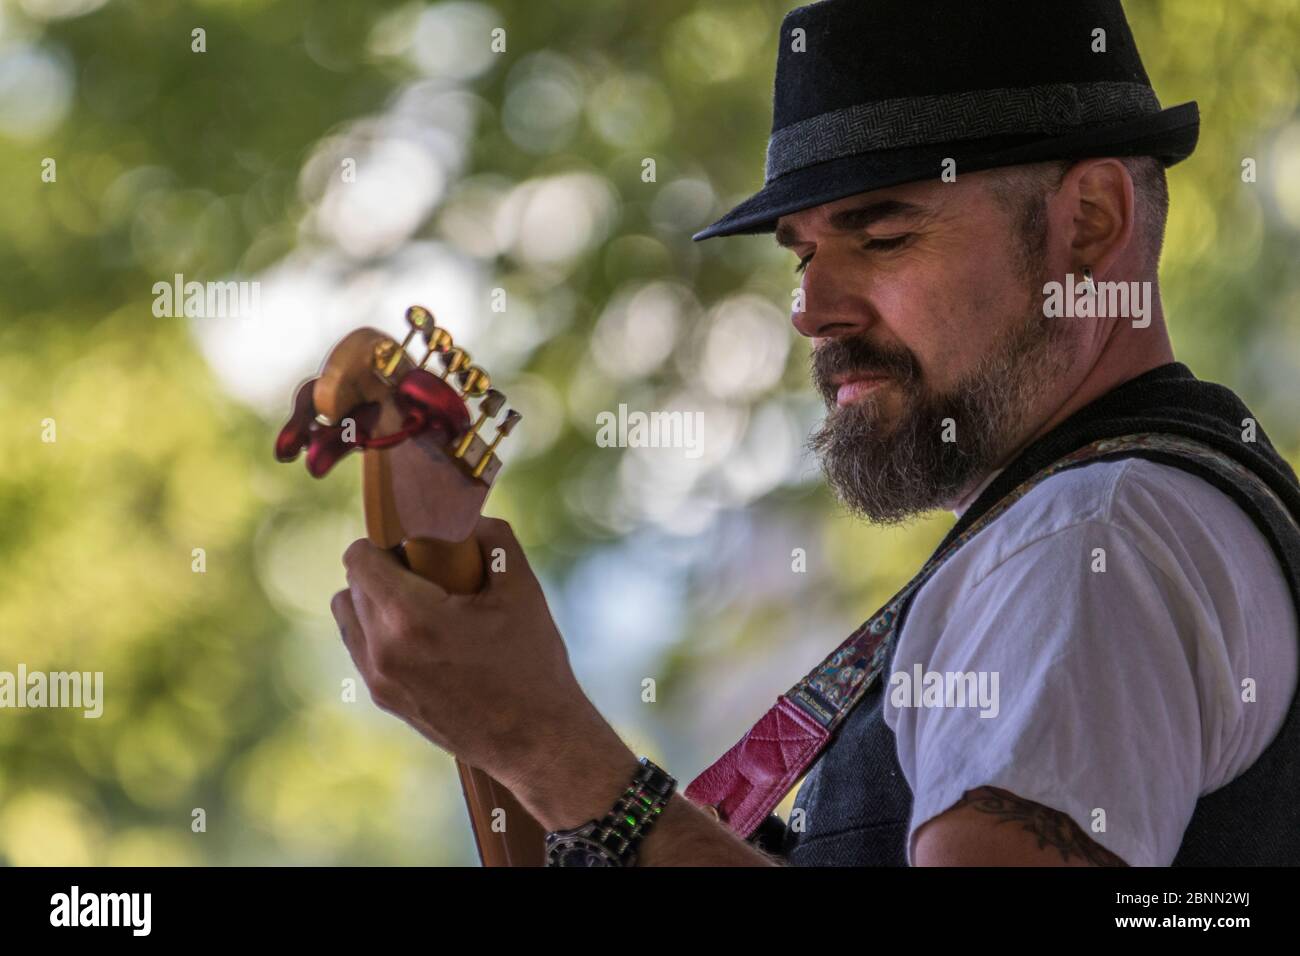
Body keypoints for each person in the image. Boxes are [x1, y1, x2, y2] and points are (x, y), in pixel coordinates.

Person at [330, 0, 1300, 866]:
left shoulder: (1085, 540)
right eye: (801, 253)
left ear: (1088, 222)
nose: (810, 308)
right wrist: (512, 738)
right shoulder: (1129, 513)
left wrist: (552, 747)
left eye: (881, 237)